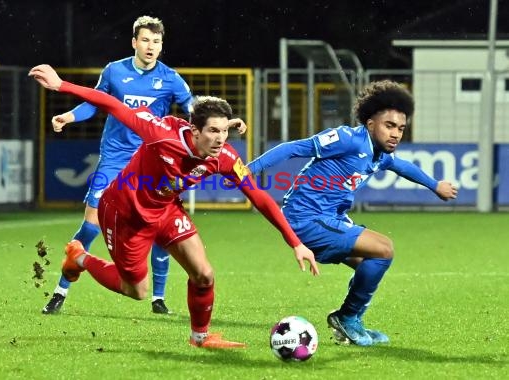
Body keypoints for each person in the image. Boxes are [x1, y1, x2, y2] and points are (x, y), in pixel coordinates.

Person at [29, 63, 319, 348]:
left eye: (224, 131)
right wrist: (61, 86)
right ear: (194, 130)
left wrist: (295, 242)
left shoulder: (225, 157)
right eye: (213, 131)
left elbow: (260, 197)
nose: (220, 139)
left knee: (204, 275)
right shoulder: (161, 133)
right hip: (124, 212)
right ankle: (78, 257)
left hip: (166, 209)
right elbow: (112, 104)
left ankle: (200, 338)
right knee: (136, 291)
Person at [246, 80, 458, 346]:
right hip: (306, 218)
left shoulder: (380, 154)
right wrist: (248, 171)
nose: (396, 134)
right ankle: (347, 318)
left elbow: (402, 166)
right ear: (370, 124)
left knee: (368, 265)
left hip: (328, 218)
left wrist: (435, 185)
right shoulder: (348, 139)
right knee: (384, 248)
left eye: (401, 128)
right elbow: (293, 148)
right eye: (389, 126)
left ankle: (348, 324)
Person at [43, 16, 194, 315]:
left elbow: (194, 109)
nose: (151, 47)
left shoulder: (171, 78)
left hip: (151, 165)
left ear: (161, 45)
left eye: (157, 42)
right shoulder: (115, 71)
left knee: (159, 228)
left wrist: (221, 122)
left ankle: (158, 299)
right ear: (134, 42)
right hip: (114, 161)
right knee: (90, 226)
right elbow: (96, 102)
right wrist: (69, 117)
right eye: (146, 40)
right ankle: (60, 290)